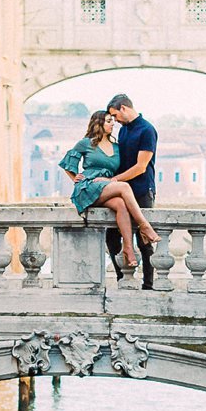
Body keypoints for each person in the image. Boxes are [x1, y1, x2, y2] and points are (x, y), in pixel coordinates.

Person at [59, 108, 158, 279]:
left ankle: (128, 248)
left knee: (120, 205)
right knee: (124, 187)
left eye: (113, 120)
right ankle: (145, 226)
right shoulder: (86, 143)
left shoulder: (116, 146)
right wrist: (76, 177)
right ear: (98, 123)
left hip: (105, 187)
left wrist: (108, 181)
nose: (113, 124)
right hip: (88, 187)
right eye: (108, 121)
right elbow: (68, 161)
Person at [104, 93, 158, 288]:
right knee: (112, 237)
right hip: (120, 192)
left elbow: (140, 167)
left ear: (123, 109)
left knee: (144, 241)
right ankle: (122, 278)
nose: (115, 120)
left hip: (142, 190)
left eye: (115, 115)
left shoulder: (147, 130)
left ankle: (148, 284)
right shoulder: (124, 131)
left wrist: (115, 180)